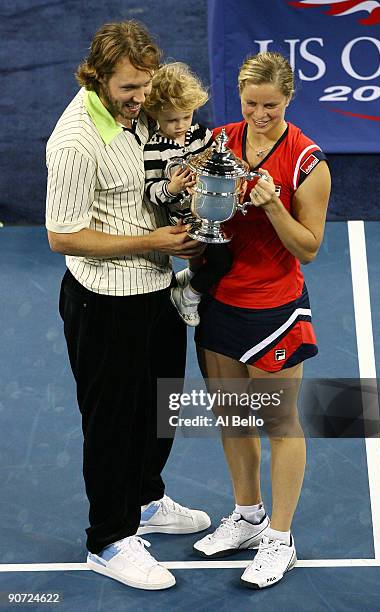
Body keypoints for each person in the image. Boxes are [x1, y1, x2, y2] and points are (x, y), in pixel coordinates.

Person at [45, 21, 210, 591]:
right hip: (104, 302)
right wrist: (154, 240)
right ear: (98, 78)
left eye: (145, 86)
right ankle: (109, 539)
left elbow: (151, 181)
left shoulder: (138, 114)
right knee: (112, 422)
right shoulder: (74, 142)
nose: (142, 100)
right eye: (129, 90)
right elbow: (63, 236)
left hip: (156, 290)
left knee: (160, 409)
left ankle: (144, 499)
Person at [193, 51, 331, 589]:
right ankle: (248, 516)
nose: (259, 114)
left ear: (288, 100)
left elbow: (311, 247)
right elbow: (203, 213)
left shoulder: (306, 163)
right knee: (232, 416)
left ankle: (280, 538)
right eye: (251, 104)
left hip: (274, 308)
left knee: (278, 424)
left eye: (270, 105)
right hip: (221, 301)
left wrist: (274, 207)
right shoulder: (220, 143)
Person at [143, 62, 233, 326]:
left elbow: (215, 163)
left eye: (186, 116)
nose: (181, 125)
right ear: (155, 113)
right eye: (171, 120)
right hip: (182, 220)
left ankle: (190, 278)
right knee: (222, 261)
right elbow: (151, 191)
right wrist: (172, 188)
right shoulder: (153, 149)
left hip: (208, 211)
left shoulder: (201, 134)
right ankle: (190, 296)